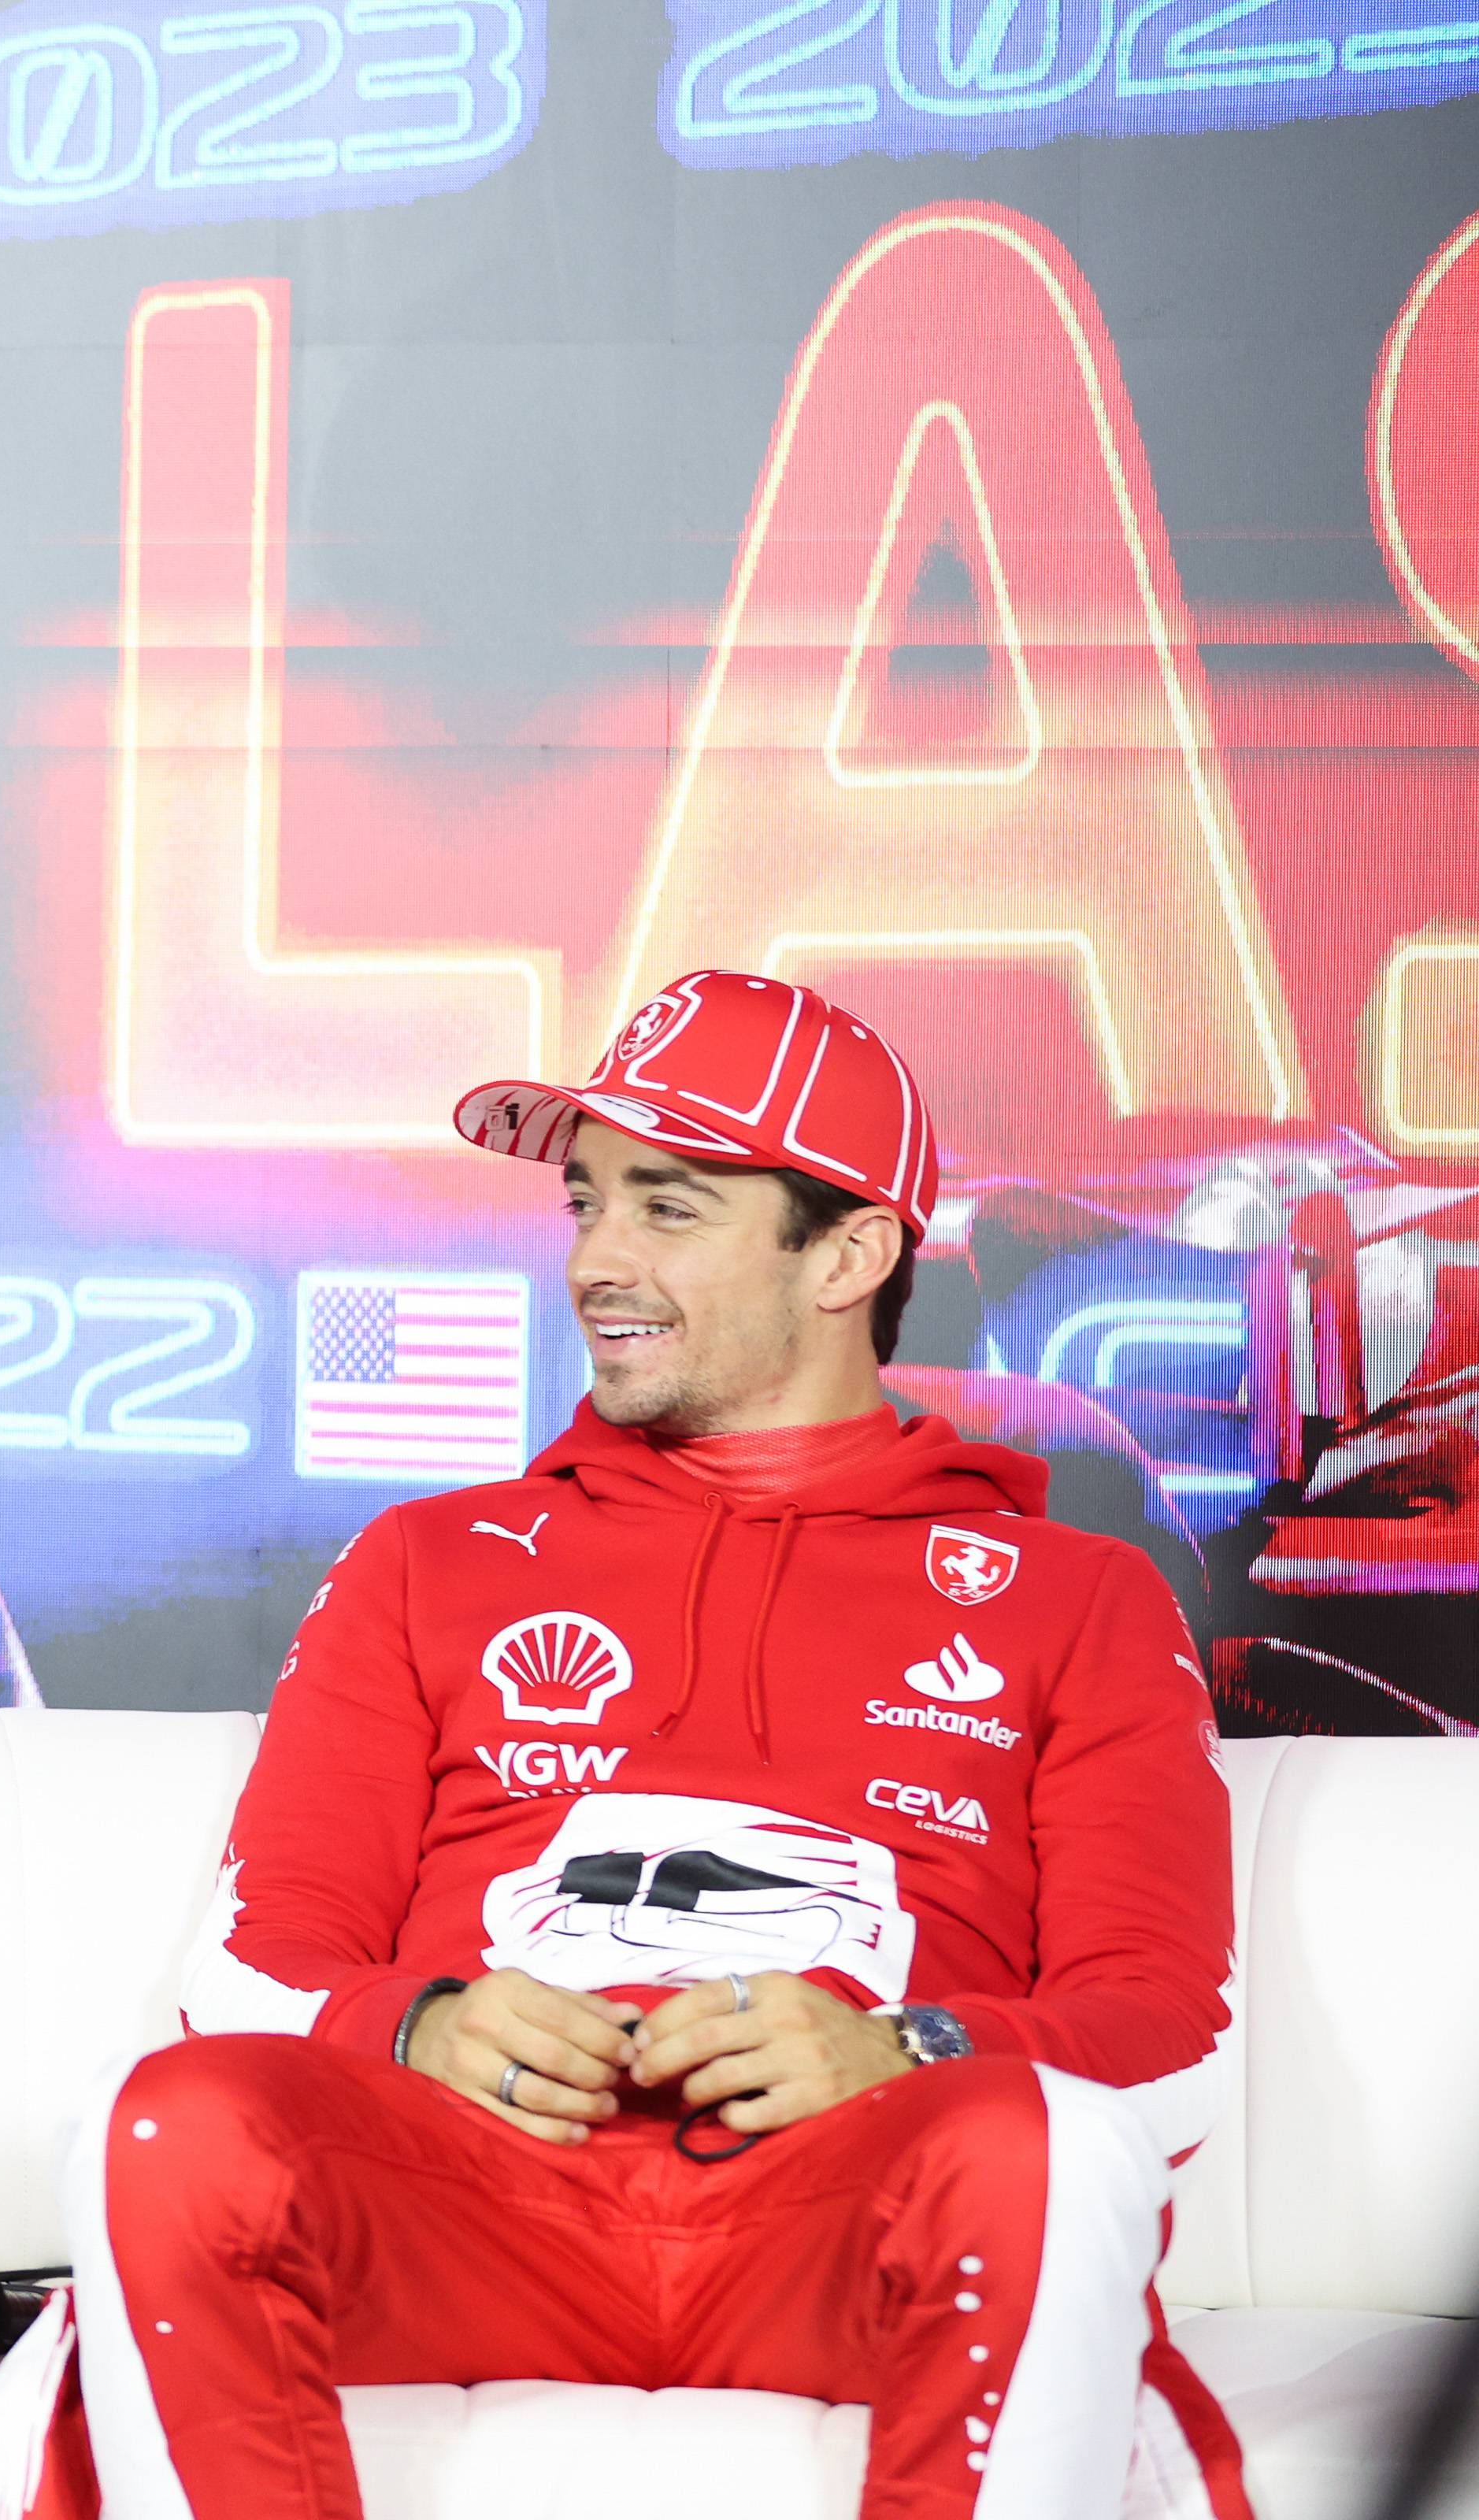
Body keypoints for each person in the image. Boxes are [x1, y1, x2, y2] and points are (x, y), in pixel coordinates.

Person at [67, 971, 1245, 2520]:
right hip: (471, 2204)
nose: (596, 1263)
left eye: (667, 1208)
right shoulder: (430, 1559)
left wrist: (905, 2048)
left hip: (841, 2211)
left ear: (851, 1253)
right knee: (159, 2117)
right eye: (585, 1203)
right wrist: (417, 2021)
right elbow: (261, 1960)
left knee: (1056, 2157)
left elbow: (1165, 2024)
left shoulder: (1076, 1596)